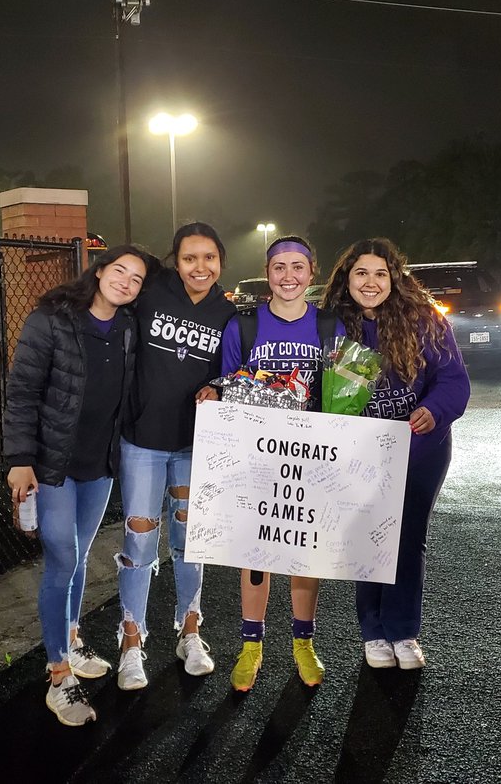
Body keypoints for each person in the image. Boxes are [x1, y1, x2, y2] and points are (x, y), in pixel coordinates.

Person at [4, 244, 158, 726]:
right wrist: (20, 460)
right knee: (62, 561)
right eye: (120, 270)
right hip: (53, 466)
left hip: (99, 465)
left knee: (81, 555)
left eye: (136, 279)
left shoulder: (128, 328)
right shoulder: (51, 319)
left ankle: (71, 637)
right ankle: (58, 675)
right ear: (100, 269)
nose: (126, 282)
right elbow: (22, 392)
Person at [321, 238, 471, 670]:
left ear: (395, 279)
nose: (370, 282)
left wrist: (433, 410)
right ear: (346, 279)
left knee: (408, 538)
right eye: (361, 273)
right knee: (367, 538)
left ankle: (404, 631)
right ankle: (373, 632)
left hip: (420, 449)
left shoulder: (425, 320)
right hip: (360, 454)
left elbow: (454, 380)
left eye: (380, 273)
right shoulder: (330, 326)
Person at [216, 234, 344, 692]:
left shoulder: (330, 325)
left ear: (311, 272)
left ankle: (303, 642)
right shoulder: (244, 326)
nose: (288, 276)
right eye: (278, 267)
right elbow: (229, 390)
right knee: (256, 553)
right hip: (259, 455)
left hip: (312, 454)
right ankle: (251, 646)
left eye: (297, 267)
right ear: (267, 273)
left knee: (304, 549)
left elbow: (345, 392)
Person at [114, 222, 236, 690]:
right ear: (175, 261)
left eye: (209, 257)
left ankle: (190, 632)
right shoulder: (152, 291)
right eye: (190, 258)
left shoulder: (227, 313)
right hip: (143, 441)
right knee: (140, 542)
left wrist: (217, 387)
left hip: (193, 445)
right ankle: (131, 642)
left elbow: (233, 372)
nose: (200, 267)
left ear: (221, 260)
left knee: (190, 541)